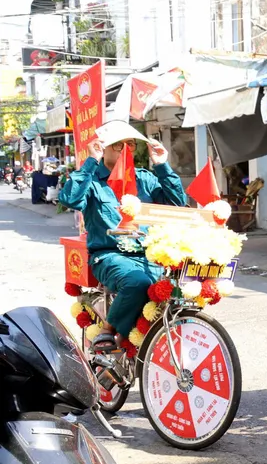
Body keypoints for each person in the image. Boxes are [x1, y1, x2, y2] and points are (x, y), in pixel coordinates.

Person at [57, 120, 185, 353]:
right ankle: (107, 331)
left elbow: (177, 205)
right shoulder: (92, 181)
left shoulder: (144, 178)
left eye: (131, 144)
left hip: (150, 254)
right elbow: (70, 199)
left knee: (180, 288)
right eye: (118, 144)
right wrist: (91, 161)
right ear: (103, 147)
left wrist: (162, 165)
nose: (126, 149)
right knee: (138, 282)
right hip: (110, 255)